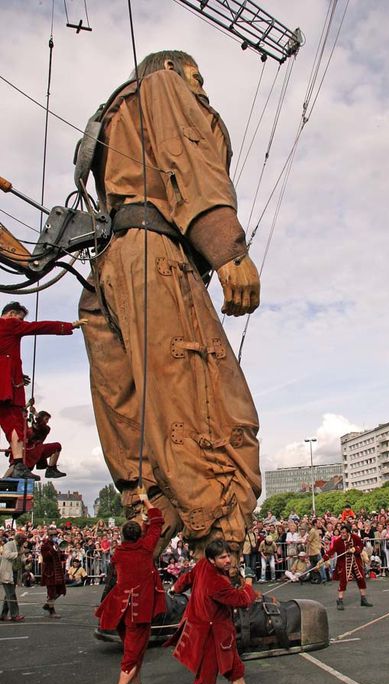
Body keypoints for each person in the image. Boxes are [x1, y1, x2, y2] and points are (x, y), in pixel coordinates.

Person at [78, 50, 261, 567]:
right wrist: (228, 249)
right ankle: (225, 578)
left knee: (137, 426)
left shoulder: (114, 116)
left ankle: (135, 574)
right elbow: (190, 154)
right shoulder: (161, 85)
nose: (202, 91)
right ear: (174, 72)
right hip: (154, 259)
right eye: (198, 79)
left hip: (109, 272)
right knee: (206, 408)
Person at [170, 538, 277, 684]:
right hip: (210, 636)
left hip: (221, 633)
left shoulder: (202, 565)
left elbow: (187, 578)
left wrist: (175, 588)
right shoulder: (216, 582)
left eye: (228, 555)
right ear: (211, 560)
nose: (228, 560)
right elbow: (242, 600)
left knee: (236, 671)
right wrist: (248, 582)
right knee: (205, 681)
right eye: (223, 557)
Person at [96, 494, 166, 684]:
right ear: (140, 536)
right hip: (138, 610)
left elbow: (151, 524)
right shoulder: (145, 549)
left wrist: (141, 520)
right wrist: (146, 500)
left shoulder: (118, 552)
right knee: (131, 657)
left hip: (119, 609)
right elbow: (158, 519)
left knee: (133, 651)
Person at [0, 301, 85, 480]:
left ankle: (18, 466)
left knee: (11, 425)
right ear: (12, 314)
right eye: (20, 318)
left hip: (7, 383)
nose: (21, 322)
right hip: (8, 391)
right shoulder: (9, 323)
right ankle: (18, 465)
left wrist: (15, 374)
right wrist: (68, 326)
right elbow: (38, 327)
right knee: (15, 424)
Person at [316, 525, 373, 610]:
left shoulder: (355, 538)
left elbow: (360, 546)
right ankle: (340, 600)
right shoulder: (338, 541)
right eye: (341, 532)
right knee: (343, 581)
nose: (342, 534)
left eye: (344, 533)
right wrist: (322, 559)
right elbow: (331, 551)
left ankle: (363, 599)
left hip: (356, 562)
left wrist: (355, 549)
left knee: (361, 579)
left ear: (348, 533)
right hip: (344, 563)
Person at [40, 528, 67, 618]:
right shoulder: (45, 545)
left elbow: (58, 556)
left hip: (58, 571)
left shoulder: (58, 543)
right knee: (51, 592)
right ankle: (52, 611)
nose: (54, 536)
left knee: (60, 590)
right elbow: (46, 558)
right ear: (48, 535)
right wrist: (54, 549)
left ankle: (48, 605)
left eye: (55, 534)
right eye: (51, 535)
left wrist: (63, 556)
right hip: (50, 572)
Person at [0, 532, 26, 621]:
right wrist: (18, 553)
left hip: (15, 572)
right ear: (19, 539)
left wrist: (27, 560)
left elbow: (22, 558)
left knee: (8, 595)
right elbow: (7, 555)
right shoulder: (8, 545)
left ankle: (3, 615)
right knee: (11, 595)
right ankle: (15, 615)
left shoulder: (20, 546)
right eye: (23, 540)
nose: (24, 542)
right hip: (7, 572)